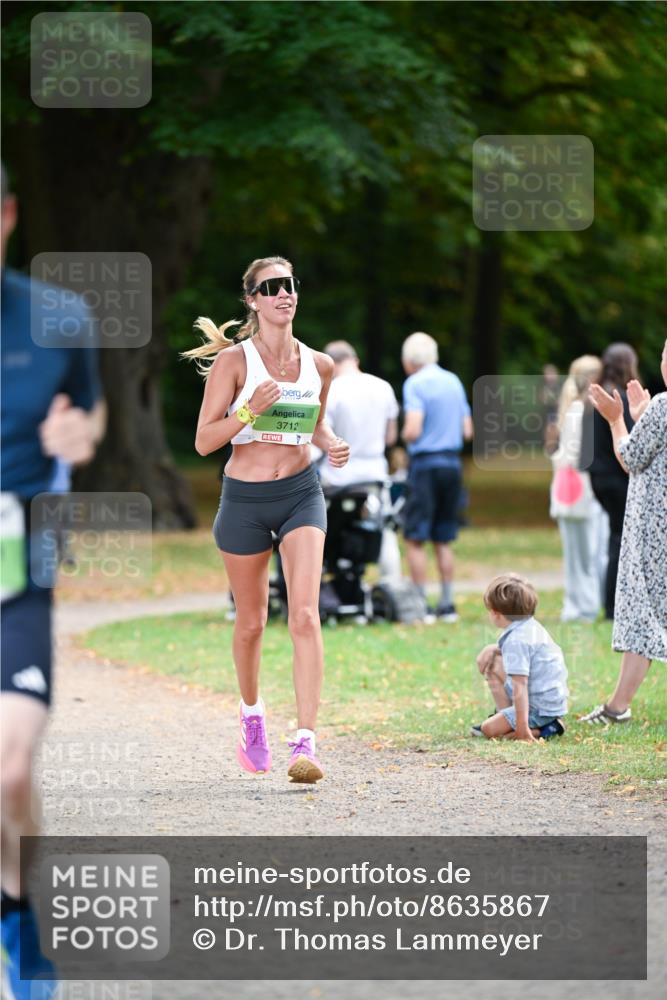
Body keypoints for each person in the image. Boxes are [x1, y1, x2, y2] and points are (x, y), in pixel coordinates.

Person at [183, 256, 350, 784]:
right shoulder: (236, 363)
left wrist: (332, 443)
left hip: (301, 493)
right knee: (252, 623)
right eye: (271, 287)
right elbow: (205, 441)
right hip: (245, 501)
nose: (284, 294)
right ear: (253, 300)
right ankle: (252, 716)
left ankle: (306, 741)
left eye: (290, 285)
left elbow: (314, 421)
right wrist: (249, 410)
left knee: (304, 615)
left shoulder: (320, 365)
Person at [1, 163, 105, 998]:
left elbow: (92, 410)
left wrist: (78, 436)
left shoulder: (58, 317)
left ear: (8, 215)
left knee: (10, 770)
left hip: (15, 572)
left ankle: (20, 919)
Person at [579, 341, 667, 725]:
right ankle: (617, 706)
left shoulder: (665, 406)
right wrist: (642, 416)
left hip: (653, 530)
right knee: (650, 614)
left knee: (641, 611)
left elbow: (630, 458)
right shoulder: (659, 409)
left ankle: (617, 708)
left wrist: (617, 419)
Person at [400, 331, 473, 621]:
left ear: (409, 360)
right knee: (443, 537)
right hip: (452, 464)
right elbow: (468, 430)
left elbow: (413, 429)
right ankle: (447, 603)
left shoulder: (415, 383)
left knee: (415, 537)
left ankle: (421, 604)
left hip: (425, 464)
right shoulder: (453, 381)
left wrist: (403, 437)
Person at [319, 339, 401, 580]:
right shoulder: (383, 387)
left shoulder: (332, 391)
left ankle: (331, 577)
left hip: (338, 476)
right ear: (355, 360)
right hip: (375, 472)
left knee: (329, 529)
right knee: (384, 529)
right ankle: (391, 582)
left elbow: (324, 437)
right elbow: (390, 437)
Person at [471, 574, 569, 743]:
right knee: (493, 664)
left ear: (496, 613)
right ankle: (507, 719)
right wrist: (492, 648)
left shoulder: (517, 640)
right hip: (548, 702)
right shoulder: (528, 626)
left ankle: (544, 729)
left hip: (539, 708)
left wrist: (523, 729)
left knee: (489, 729)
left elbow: (520, 685)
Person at [549, 355, 609, 622]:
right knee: (587, 551)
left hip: (573, 486)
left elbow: (566, 455)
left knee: (581, 552)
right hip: (580, 488)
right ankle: (582, 604)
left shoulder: (576, 410)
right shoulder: (582, 410)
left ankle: (581, 604)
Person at [584, 343, 637, 619]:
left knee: (616, 537)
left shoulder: (595, 392)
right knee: (620, 540)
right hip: (619, 477)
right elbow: (629, 441)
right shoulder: (620, 397)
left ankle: (613, 604)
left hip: (598, 476)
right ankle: (614, 606)